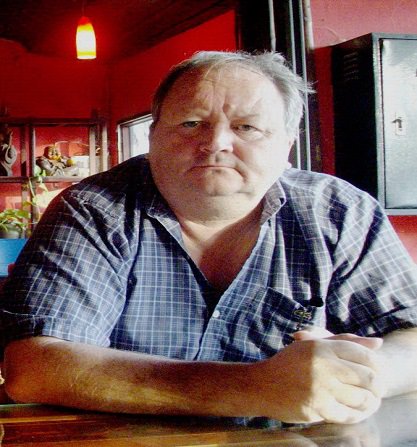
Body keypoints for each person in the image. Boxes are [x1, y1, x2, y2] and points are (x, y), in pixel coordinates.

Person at [1, 50, 417, 426]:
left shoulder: (340, 212)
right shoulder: (94, 209)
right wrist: (255, 388)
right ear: (153, 137)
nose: (215, 143)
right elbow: (35, 367)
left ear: (287, 145)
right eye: (191, 123)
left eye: (247, 127)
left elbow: (411, 337)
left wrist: (353, 375)